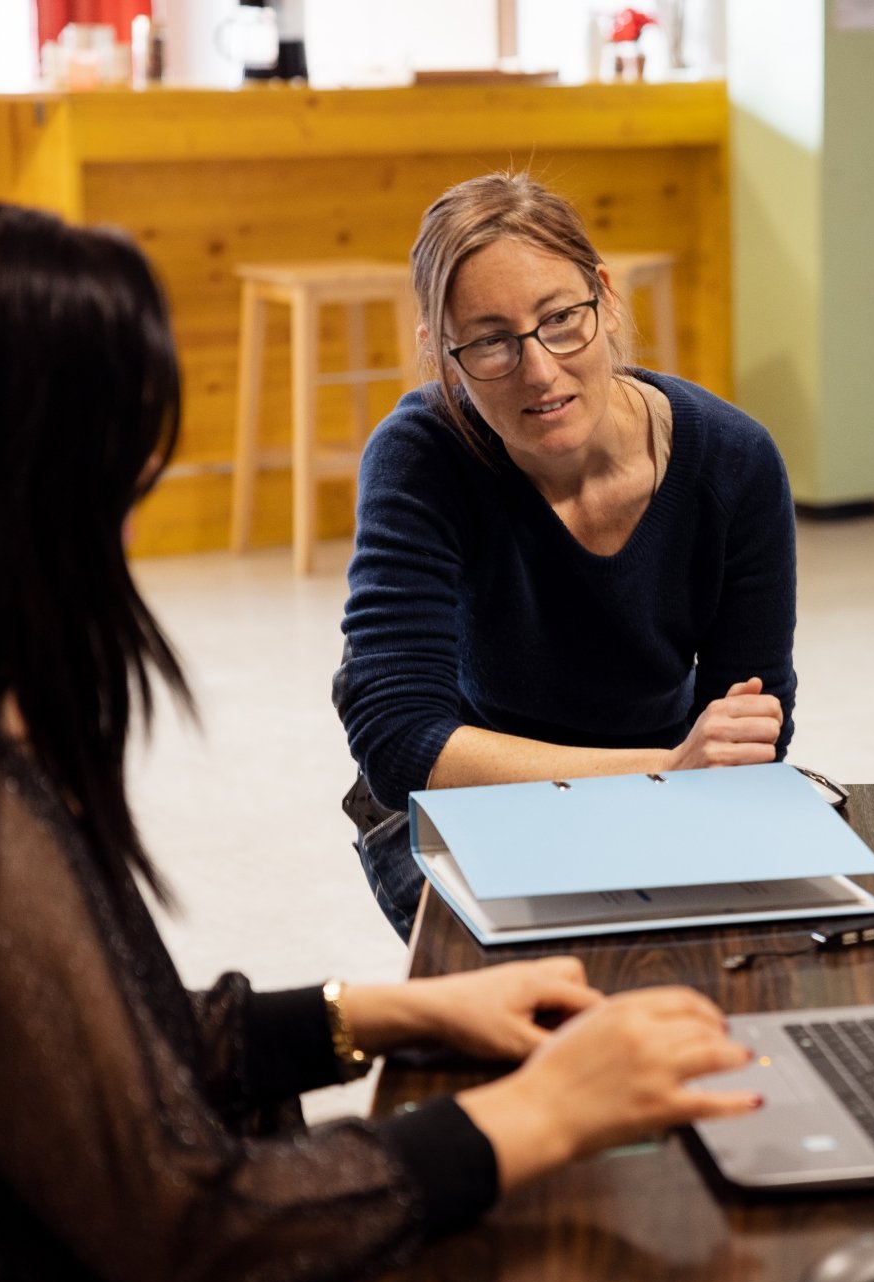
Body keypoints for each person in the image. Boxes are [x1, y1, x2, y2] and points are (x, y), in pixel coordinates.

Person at [0, 200, 759, 1282]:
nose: (131, 510)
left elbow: (118, 1040)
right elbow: (186, 1224)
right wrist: (537, 1111)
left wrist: (386, 1008)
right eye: (111, 467)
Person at [337, 172, 798, 939]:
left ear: (606, 299)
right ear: (440, 353)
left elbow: (752, 727)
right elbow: (397, 736)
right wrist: (663, 772)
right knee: (543, 1000)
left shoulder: (735, 460)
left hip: (662, 784)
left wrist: (686, 775)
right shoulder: (422, 456)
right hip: (463, 799)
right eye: (489, 341)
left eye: (560, 320)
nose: (540, 370)